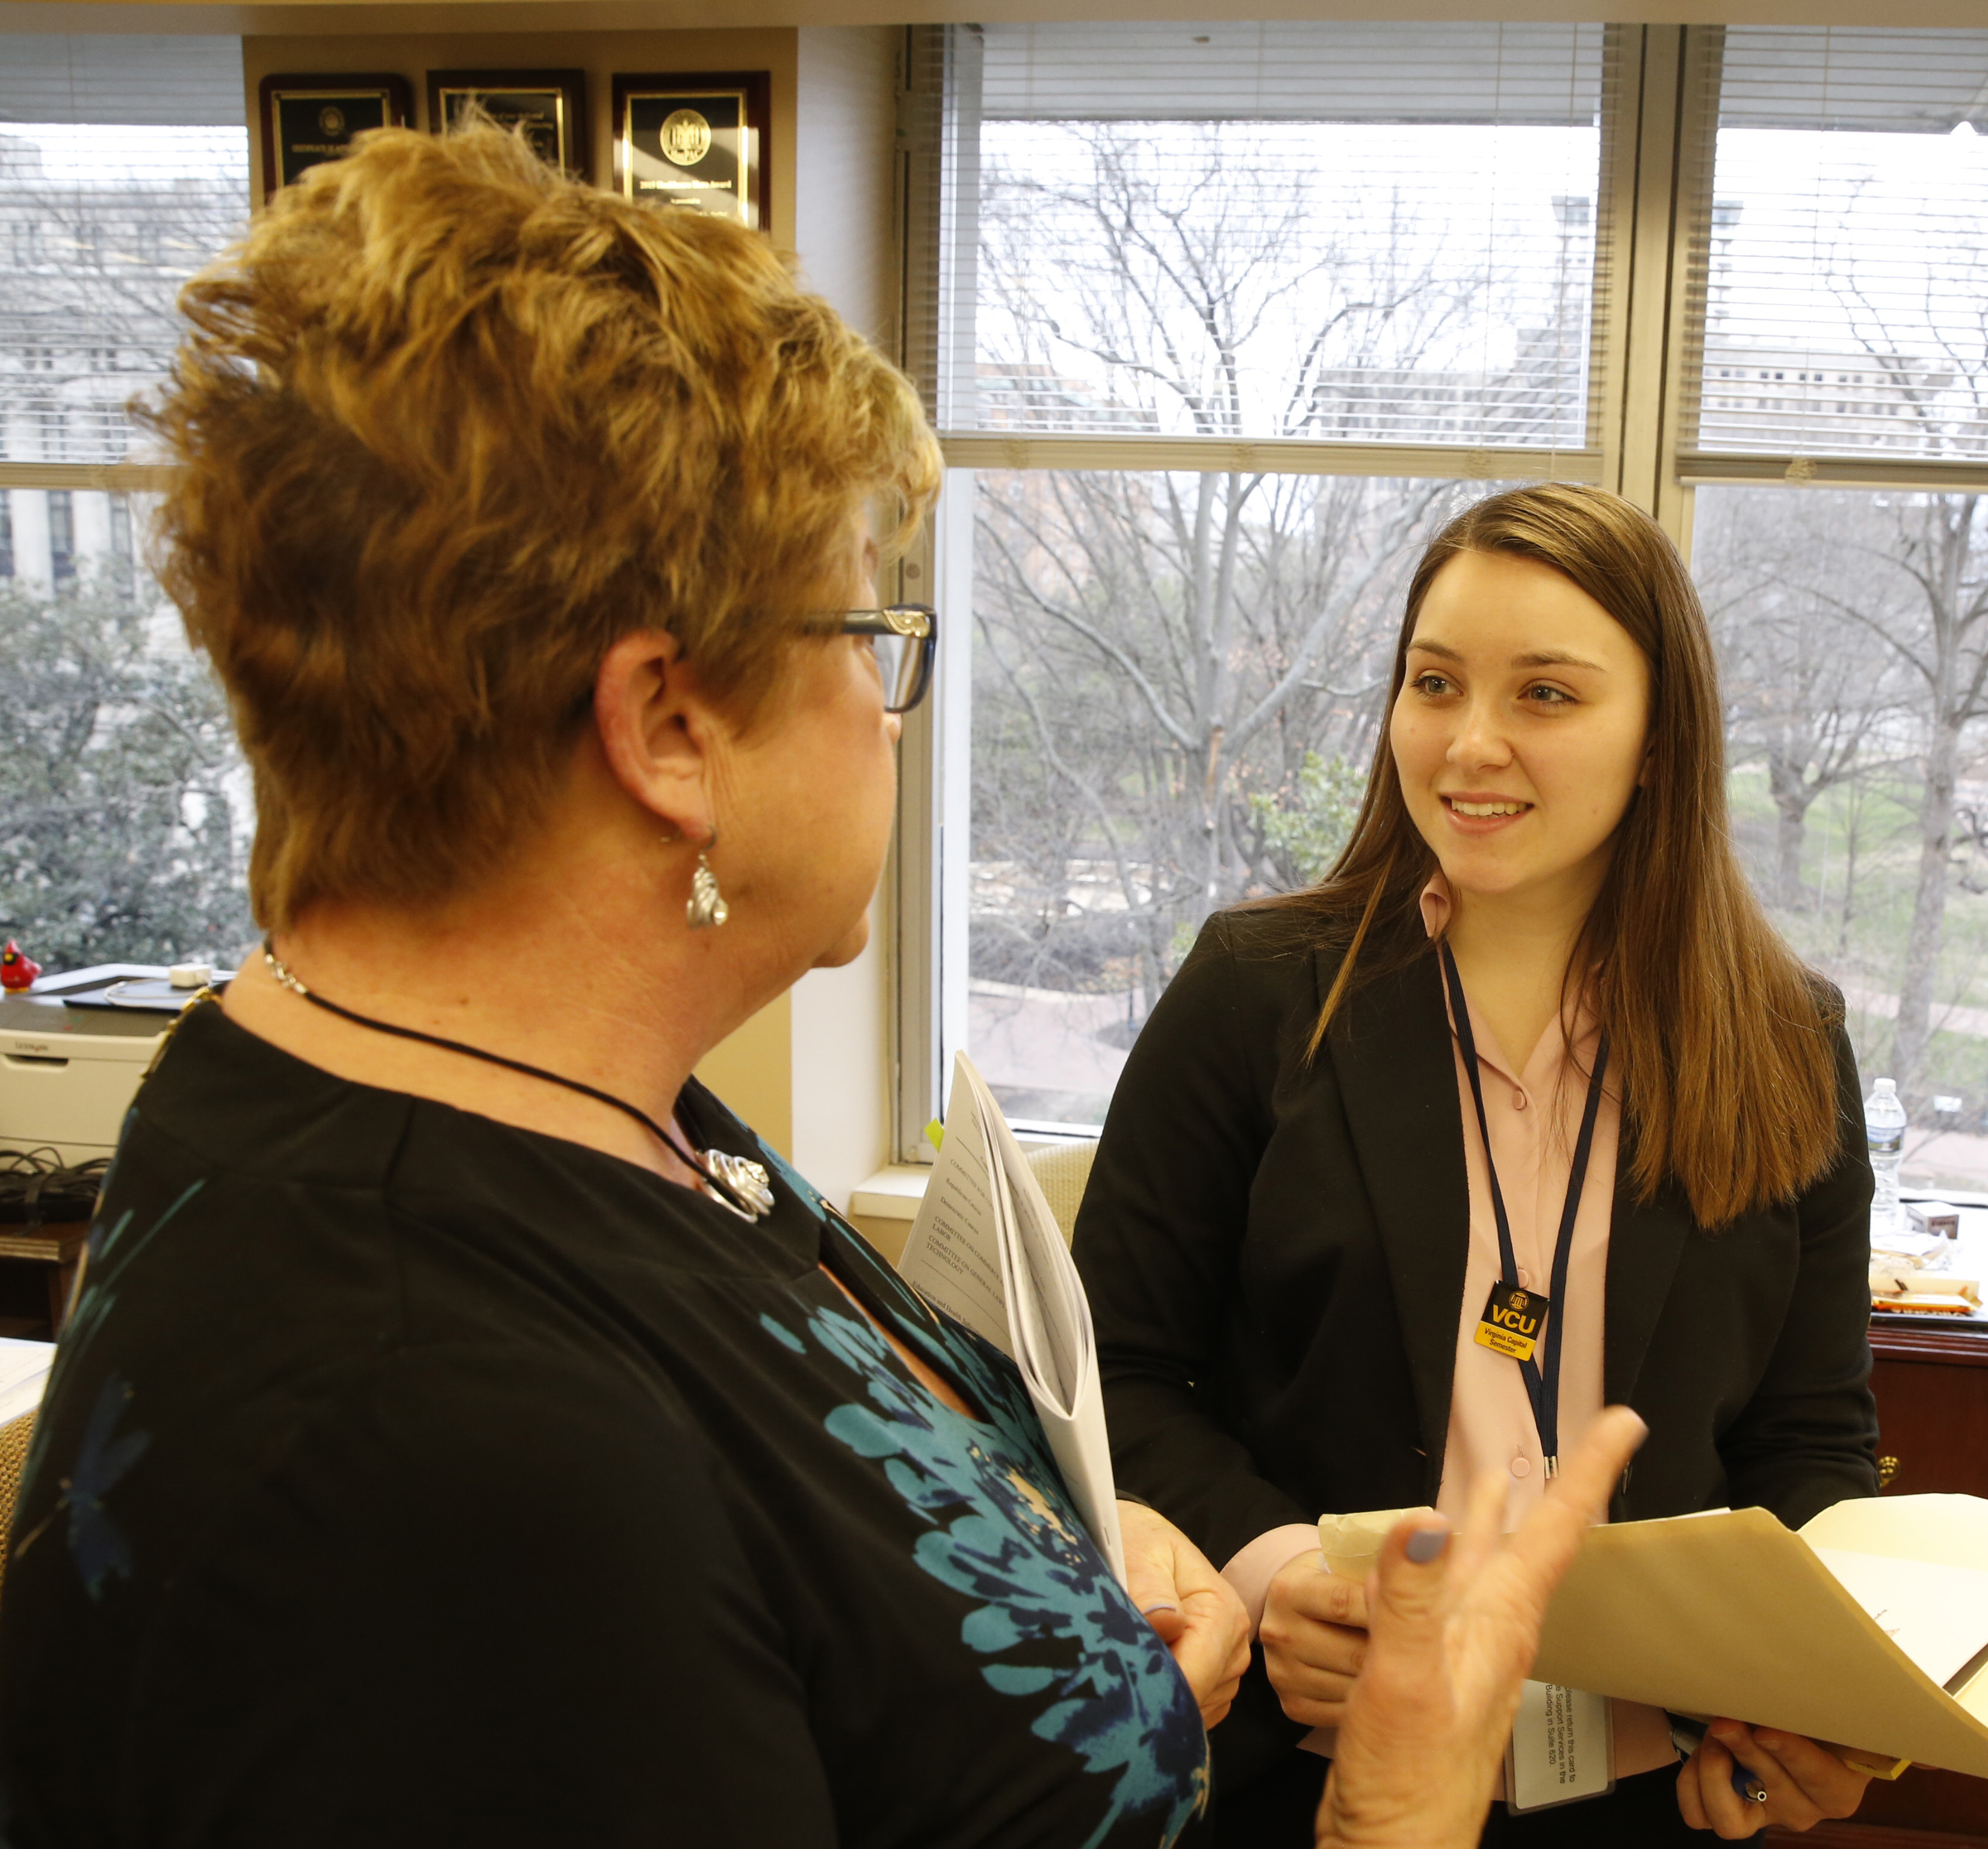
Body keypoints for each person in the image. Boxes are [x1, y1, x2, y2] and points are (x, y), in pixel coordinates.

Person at [0, 126, 1637, 1849]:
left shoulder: (561, 1110)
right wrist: (1403, 1800)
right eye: (868, 634)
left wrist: (1073, 1549)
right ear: (671, 731)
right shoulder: (442, 1434)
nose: (889, 705)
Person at [1074, 485, 1883, 1845]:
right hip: (1307, 1762)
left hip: (1646, 1782)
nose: (1470, 743)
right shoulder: (1258, 994)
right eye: (1434, 683)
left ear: (1659, 739)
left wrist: (1814, 1710)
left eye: (1548, 696)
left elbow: (1809, 1442)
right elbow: (1114, 1376)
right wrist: (1278, 1579)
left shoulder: (1785, 1043)